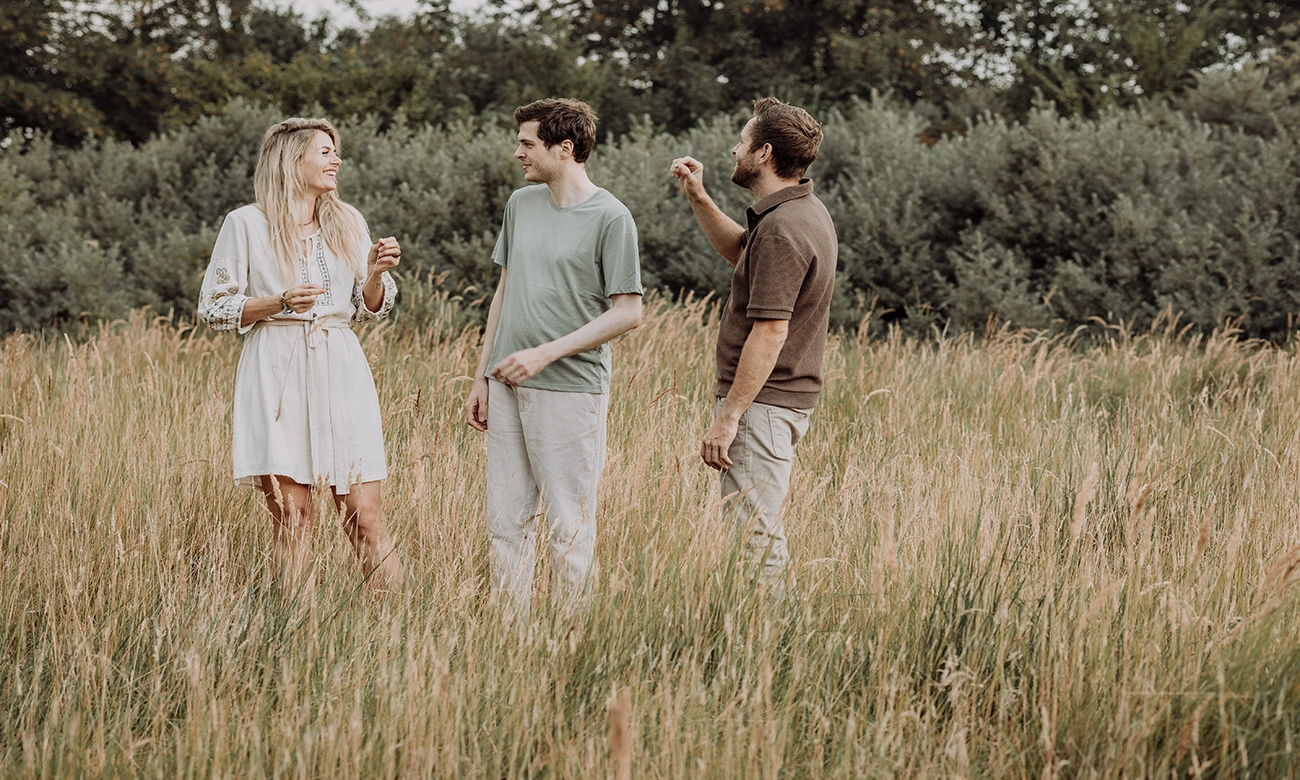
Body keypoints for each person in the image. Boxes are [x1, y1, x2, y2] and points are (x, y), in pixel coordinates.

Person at [198, 117, 404, 593]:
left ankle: (402, 627)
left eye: (337, 152)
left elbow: (368, 309)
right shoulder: (245, 223)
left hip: (340, 364)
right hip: (276, 367)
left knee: (364, 516)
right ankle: (295, 636)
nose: (337, 160)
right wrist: (279, 302)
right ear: (293, 160)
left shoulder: (347, 220)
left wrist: (373, 273)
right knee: (294, 516)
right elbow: (214, 307)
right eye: (326, 151)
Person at [464, 98, 643, 622]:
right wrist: (482, 376)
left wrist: (546, 353)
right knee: (505, 521)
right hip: (504, 386)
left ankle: (570, 641)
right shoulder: (521, 204)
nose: (517, 151)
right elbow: (504, 292)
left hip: (570, 391)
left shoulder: (612, 217)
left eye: (527, 142)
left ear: (564, 148)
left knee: (568, 523)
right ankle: (511, 640)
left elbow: (628, 313)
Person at [670, 97, 837, 592]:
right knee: (756, 531)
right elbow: (742, 253)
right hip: (774, 403)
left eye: (742, 142)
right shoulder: (799, 212)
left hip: (762, 405)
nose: (733, 149)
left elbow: (771, 331)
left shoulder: (785, 228)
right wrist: (698, 196)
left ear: (763, 153)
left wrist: (729, 418)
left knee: (756, 538)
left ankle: (766, 652)